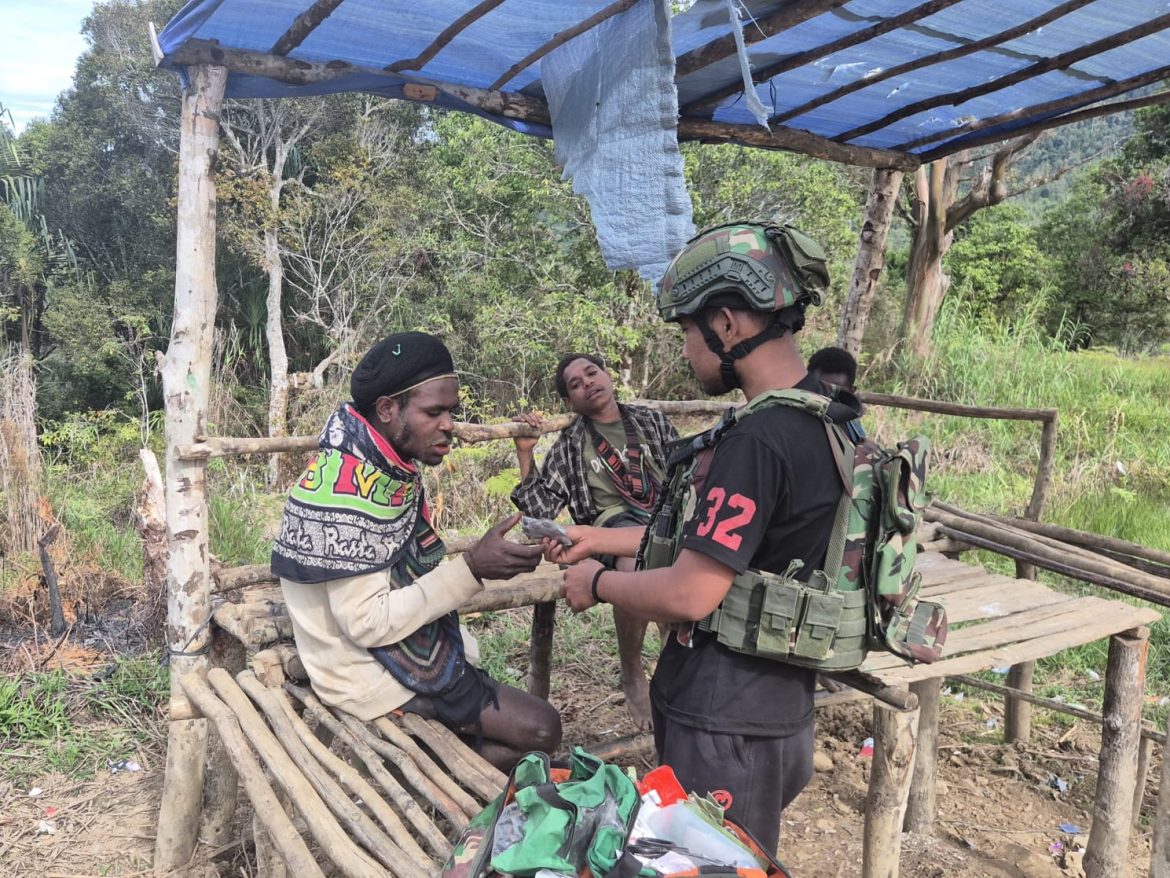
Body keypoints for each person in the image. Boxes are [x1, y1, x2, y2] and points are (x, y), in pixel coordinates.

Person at [552, 223, 861, 853]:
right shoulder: (827, 417)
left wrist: (597, 583)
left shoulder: (757, 440)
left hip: (725, 723)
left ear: (726, 325)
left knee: (715, 865)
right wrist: (596, 538)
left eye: (688, 334)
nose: (689, 351)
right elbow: (721, 546)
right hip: (775, 709)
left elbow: (692, 591)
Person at [272, 331, 562, 771]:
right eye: (434, 412)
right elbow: (367, 624)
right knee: (543, 729)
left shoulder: (366, 462)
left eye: (451, 411)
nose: (449, 424)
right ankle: (436, 766)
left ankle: (439, 753)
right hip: (361, 671)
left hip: (365, 651)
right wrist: (471, 569)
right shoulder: (350, 494)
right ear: (387, 408)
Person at [510, 353, 679, 730]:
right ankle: (633, 670)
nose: (587, 383)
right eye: (575, 384)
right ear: (569, 402)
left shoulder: (651, 421)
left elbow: (684, 473)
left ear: (607, 375)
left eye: (592, 372)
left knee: (683, 557)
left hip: (664, 520)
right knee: (634, 563)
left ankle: (676, 666)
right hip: (608, 530)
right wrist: (525, 452)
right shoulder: (571, 444)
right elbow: (541, 508)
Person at [808, 345, 865, 442]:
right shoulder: (789, 423)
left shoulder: (854, 428)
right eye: (820, 391)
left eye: (836, 393)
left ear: (851, 391)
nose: (826, 401)